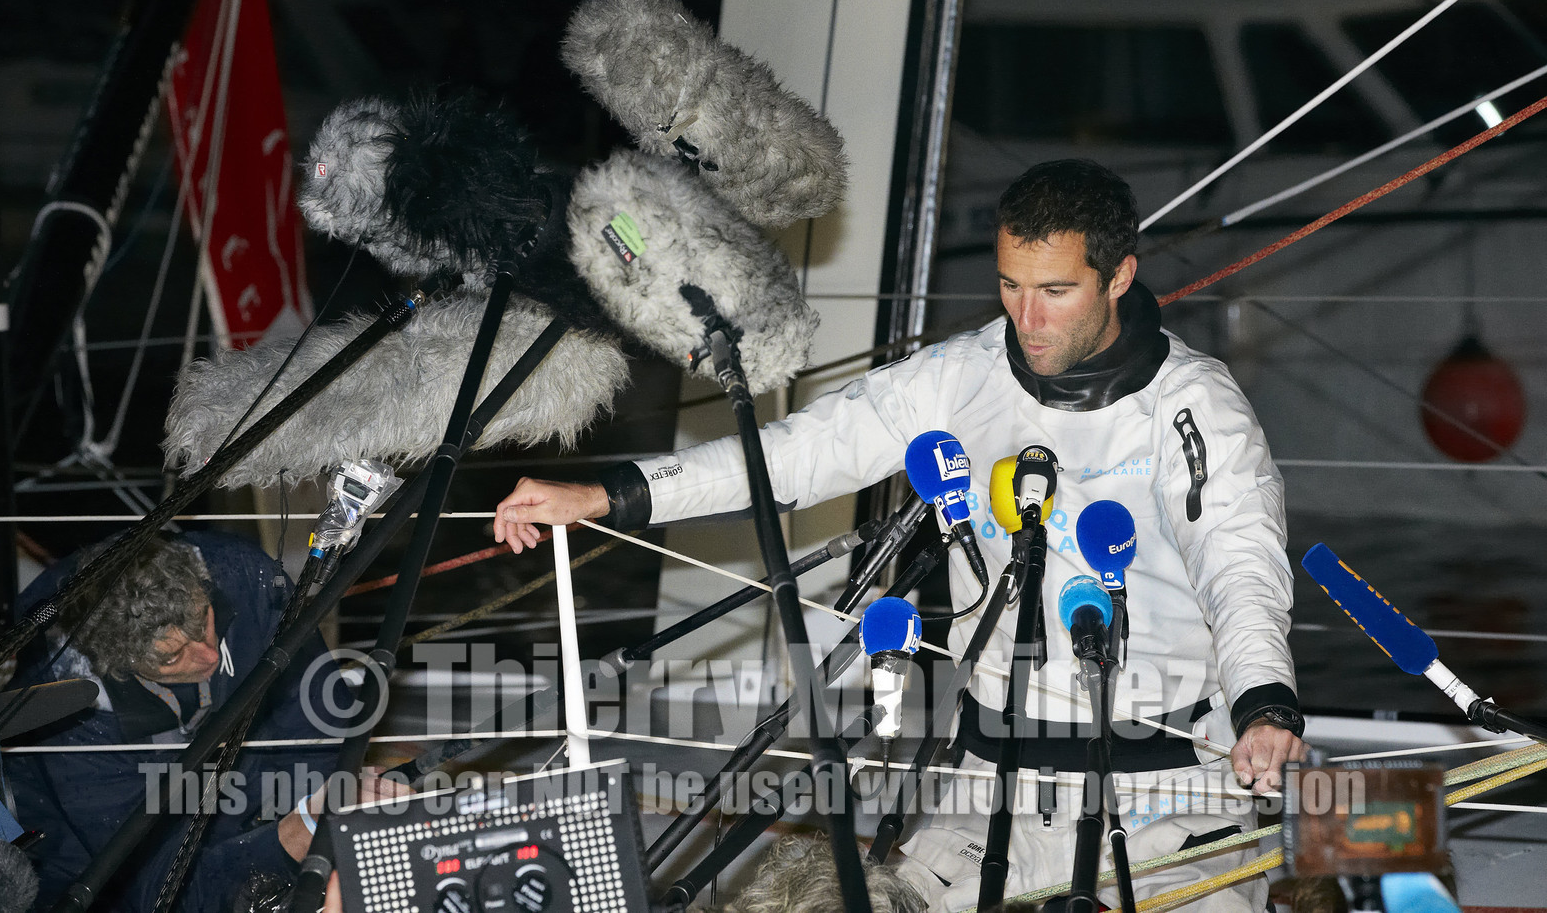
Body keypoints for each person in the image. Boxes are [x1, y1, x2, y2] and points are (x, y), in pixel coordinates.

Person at [492, 159, 1306, 911]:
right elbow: (799, 454)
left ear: (1120, 276)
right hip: (991, 791)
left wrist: (1267, 707)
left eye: (1055, 291)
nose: (1027, 317)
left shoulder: (1194, 404)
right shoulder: (962, 375)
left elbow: (1241, 570)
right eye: (1010, 286)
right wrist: (611, 493)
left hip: (1167, 798)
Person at [4, 531, 404, 913]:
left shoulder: (246, 576)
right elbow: (163, 893)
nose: (208, 656)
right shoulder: (67, 717)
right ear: (120, 665)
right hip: (93, 862)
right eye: (171, 658)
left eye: (203, 622)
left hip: (246, 789)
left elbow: (318, 735)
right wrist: (297, 831)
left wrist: (329, 805)